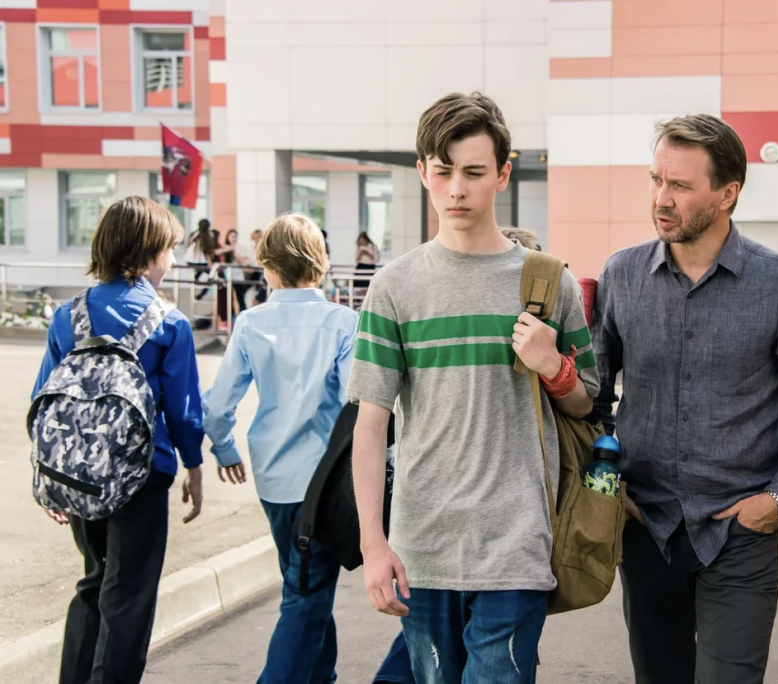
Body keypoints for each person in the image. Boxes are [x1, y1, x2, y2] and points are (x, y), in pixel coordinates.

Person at [348, 91, 599, 684]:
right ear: (423, 172)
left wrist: (553, 366)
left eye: (474, 172)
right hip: (423, 546)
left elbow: (586, 401)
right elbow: (371, 425)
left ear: (502, 175)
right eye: (443, 172)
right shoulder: (394, 288)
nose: (456, 189)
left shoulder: (550, 282)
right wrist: (373, 544)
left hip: (517, 544)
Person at [591, 114, 778, 684]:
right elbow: (592, 398)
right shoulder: (622, 275)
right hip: (646, 527)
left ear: (728, 193)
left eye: (680, 185)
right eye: (656, 179)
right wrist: (610, 489)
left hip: (741, 534)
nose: (661, 198)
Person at [32, 196, 205, 684]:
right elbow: (184, 411)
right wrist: (194, 467)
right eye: (169, 249)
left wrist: (51, 476)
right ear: (148, 252)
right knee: (129, 592)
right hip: (142, 476)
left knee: (94, 581)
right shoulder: (169, 322)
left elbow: (42, 398)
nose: (173, 260)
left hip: (80, 472)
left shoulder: (67, 316)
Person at [202, 212, 359, 684]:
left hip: (272, 478)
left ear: (267, 266)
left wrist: (225, 449)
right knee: (305, 595)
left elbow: (217, 407)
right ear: (320, 262)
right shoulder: (343, 322)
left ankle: (321, 678)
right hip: (326, 483)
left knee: (304, 585)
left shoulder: (251, 323)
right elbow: (357, 406)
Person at [185, 218, 217, 300]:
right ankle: (202, 293)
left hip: (189, 261)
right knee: (214, 275)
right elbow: (207, 251)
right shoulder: (207, 235)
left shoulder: (193, 234)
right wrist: (210, 263)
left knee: (201, 269)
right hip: (200, 262)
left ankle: (195, 278)